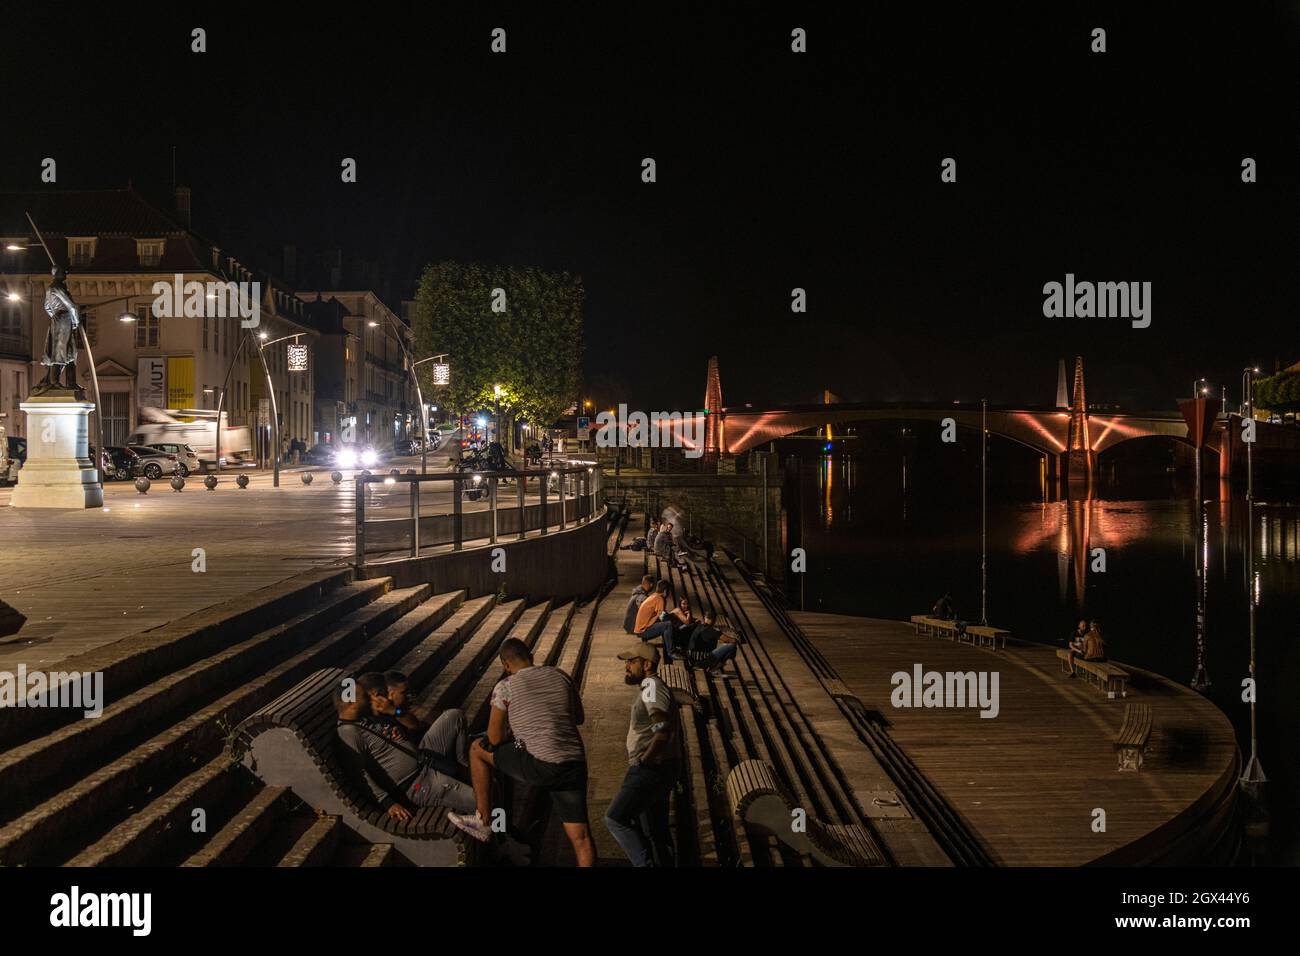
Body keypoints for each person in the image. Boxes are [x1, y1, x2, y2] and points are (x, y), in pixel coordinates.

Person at [448, 639, 595, 866]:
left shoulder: (506, 686)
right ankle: (503, 830)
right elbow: (579, 718)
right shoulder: (560, 675)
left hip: (542, 762)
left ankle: (483, 819)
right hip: (574, 762)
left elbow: (495, 738)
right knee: (581, 837)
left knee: (477, 749)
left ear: (506, 665)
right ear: (531, 656)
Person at [332, 676, 475, 820]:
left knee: (454, 715)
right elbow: (359, 776)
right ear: (350, 701)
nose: (370, 699)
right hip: (418, 784)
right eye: (364, 696)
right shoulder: (348, 733)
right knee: (481, 799)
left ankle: (466, 770)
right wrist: (388, 803)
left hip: (424, 759)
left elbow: (414, 725)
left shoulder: (366, 717)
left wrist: (399, 723)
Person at [604, 644, 679, 866]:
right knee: (655, 831)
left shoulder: (650, 686)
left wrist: (644, 761)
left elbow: (661, 729)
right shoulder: (651, 686)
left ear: (646, 664)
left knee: (615, 818)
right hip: (662, 766)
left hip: (651, 768)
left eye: (631, 661)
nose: (627, 666)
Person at [634, 580, 676, 660]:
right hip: (644, 631)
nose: (669, 594)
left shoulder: (654, 596)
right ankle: (671, 652)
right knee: (668, 625)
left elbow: (659, 614)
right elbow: (662, 617)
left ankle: (669, 647)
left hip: (639, 629)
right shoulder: (660, 599)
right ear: (665, 591)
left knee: (667, 623)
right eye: (669, 591)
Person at [689, 609, 738, 673]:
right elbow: (731, 640)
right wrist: (737, 638)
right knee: (732, 646)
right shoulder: (712, 631)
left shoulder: (699, 626)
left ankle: (711, 667)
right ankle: (714, 669)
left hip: (692, 659)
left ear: (705, 618)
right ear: (714, 620)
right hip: (702, 661)